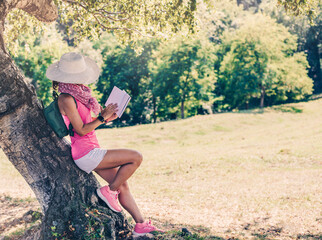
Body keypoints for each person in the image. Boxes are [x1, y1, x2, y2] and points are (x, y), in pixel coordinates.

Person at [46, 52, 162, 236]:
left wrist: (107, 118)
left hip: (93, 150)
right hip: (85, 154)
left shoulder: (82, 95)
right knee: (136, 157)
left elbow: (90, 125)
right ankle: (108, 192)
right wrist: (102, 117)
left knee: (122, 184)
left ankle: (140, 225)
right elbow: (81, 130)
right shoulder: (66, 98)